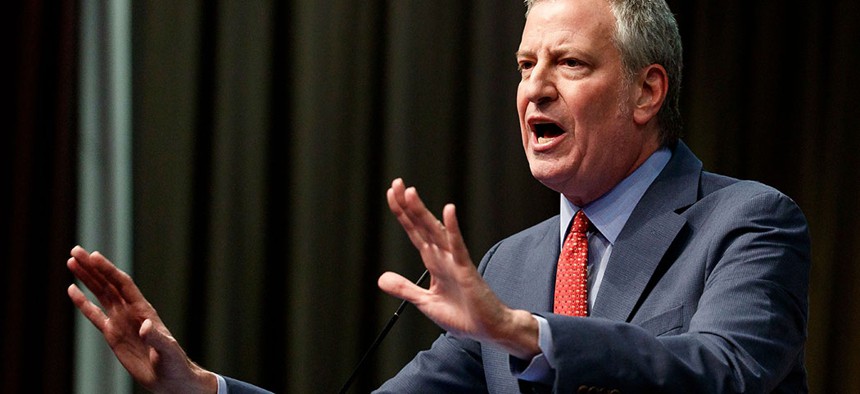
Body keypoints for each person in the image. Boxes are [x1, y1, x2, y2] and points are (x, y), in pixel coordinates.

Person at [68, 0, 811, 392]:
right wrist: (202, 389)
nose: (534, 89)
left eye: (569, 63)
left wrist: (528, 334)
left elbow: (726, 373)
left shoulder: (746, 223)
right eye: (524, 65)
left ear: (649, 90)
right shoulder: (511, 266)